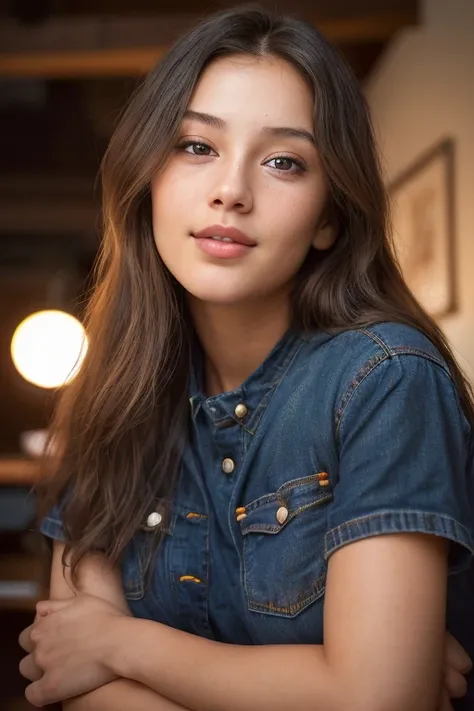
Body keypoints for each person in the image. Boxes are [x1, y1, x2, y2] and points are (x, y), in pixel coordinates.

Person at [18, 5, 474, 710]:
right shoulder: (110, 392)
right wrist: (321, 680)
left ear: (328, 216)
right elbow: (67, 672)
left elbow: (378, 699)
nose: (231, 189)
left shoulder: (386, 379)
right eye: (197, 146)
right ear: (148, 178)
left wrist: (122, 644)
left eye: (284, 161)